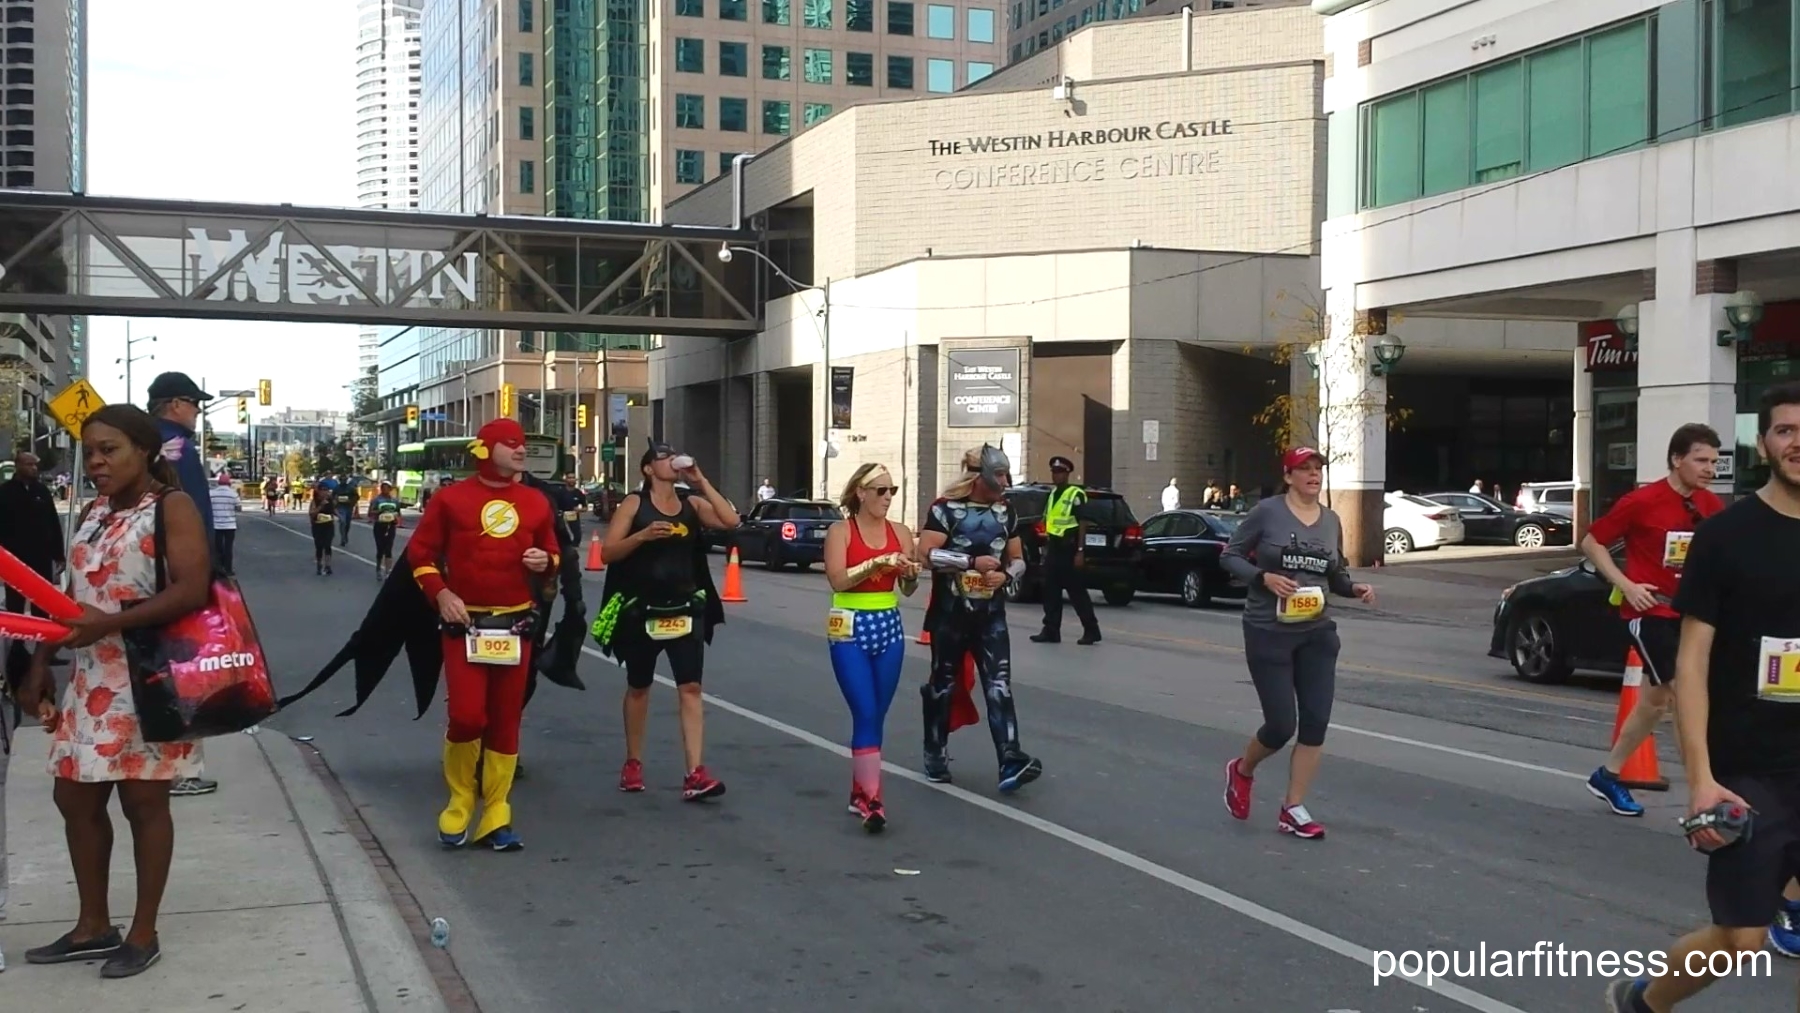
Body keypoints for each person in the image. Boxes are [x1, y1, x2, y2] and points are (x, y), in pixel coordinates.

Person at [1604, 383, 1800, 1012]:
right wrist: (1701, 777)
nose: (1798, 442)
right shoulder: (1728, 534)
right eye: (1785, 430)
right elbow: (1689, 663)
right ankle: (1648, 1000)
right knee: (1742, 934)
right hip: (1749, 765)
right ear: (1764, 443)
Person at [17, 404, 213, 978]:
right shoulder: (95, 512)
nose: (97, 461)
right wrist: (40, 664)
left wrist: (109, 623)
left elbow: (192, 589)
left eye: (110, 449)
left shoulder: (170, 508)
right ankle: (93, 926)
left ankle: (143, 932)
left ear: (145, 450)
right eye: (91, 451)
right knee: (73, 798)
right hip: (90, 678)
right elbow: (68, 595)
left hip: (148, 679)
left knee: (143, 804)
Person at [407, 418, 559, 852]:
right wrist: (440, 593)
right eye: (510, 443)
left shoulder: (536, 502)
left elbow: (553, 554)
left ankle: (497, 812)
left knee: (507, 718)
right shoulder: (450, 500)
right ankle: (460, 798)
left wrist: (544, 562)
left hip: (516, 625)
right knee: (468, 716)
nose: (520, 449)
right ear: (485, 449)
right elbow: (420, 552)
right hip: (465, 624)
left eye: (522, 442)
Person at [1218, 447, 1375, 840]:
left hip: (1316, 632)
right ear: (1288, 476)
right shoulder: (1267, 513)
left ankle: (1293, 807)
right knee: (1281, 724)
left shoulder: (1332, 520)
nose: (1313, 475)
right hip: (1268, 630)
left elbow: (1335, 574)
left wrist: (1354, 588)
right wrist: (1263, 578)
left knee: (1315, 722)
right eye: (1304, 469)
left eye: (1317, 469)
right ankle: (1242, 770)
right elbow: (1230, 557)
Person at [1579, 423, 1725, 818]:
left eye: (1714, 460)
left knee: (1655, 701)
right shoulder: (1642, 501)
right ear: (1677, 460)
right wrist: (1626, 584)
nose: (1710, 468)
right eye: (1701, 460)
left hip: (1692, 614)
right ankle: (1702, 790)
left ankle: (1607, 774)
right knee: (1683, 695)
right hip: (1651, 612)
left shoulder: (1711, 506)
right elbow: (1592, 541)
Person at [593, 444, 738, 800]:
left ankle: (695, 772)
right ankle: (633, 761)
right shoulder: (634, 504)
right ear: (647, 469)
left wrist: (701, 480)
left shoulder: (691, 504)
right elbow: (608, 552)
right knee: (639, 686)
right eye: (662, 457)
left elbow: (731, 521)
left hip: (685, 607)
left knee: (690, 687)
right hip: (642, 609)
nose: (671, 461)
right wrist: (643, 535)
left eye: (673, 456)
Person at [917, 444, 1043, 793]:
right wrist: (970, 563)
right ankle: (935, 752)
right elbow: (925, 554)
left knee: (999, 685)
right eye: (999, 474)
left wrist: (1007, 574)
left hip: (991, 614)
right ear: (980, 476)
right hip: (950, 613)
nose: (1005, 480)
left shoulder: (1006, 511)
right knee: (943, 683)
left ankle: (1010, 758)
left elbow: (1018, 558)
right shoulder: (945, 510)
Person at [822, 462, 921, 831]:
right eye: (880, 491)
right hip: (849, 627)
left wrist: (910, 575)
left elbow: (907, 589)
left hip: (888, 627)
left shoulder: (901, 532)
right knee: (864, 710)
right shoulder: (840, 531)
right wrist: (877, 562)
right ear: (860, 493)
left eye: (892, 491)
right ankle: (871, 799)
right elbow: (838, 580)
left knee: (876, 714)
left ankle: (859, 790)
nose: (887, 498)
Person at [144, 373, 217, 800]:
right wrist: (209, 570)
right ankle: (180, 770)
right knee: (185, 674)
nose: (197, 412)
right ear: (174, 404)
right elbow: (196, 513)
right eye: (194, 403)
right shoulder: (179, 448)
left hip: (140, 570)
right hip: (178, 576)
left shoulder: (133, 443)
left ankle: (147, 763)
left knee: (147, 670)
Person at [0, 451, 65, 701]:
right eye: (29, 464)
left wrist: (58, 553)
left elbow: (51, 522)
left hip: (40, 557)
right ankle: (17, 650)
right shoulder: (6, 493)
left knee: (43, 607)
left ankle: (45, 651)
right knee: (16, 605)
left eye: (35, 465)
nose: (34, 468)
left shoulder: (41, 491)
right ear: (17, 465)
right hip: (15, 561)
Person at [1031, 455, 1101, 646]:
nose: (1056, 476)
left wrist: (1080, 550)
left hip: (1069, 548)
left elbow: (1082, 523)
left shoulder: (1075, 494)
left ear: (1068, 474)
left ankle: (1091, 629)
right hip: (1054, 547)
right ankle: (1051, 630)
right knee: (1050, 591)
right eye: (1054, 472)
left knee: (1076, 592)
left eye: (1060, 472)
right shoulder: (1053, 494)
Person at [367, 480, 403, 581]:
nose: (385, 489)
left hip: (390, 526)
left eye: (387, 487)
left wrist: (396, 518)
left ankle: (388, 571)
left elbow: (398, 513)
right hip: (379, 526)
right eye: (383, 487)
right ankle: (378, 569)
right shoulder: (376, 500)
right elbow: (370, 513)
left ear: (390, 489)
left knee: (388, 549)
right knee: (380, 549)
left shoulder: (395, 501)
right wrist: (379, 511)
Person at [207, 473, 241, 577]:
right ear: (229, 483)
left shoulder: (211, 493)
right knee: (228, 547)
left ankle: (218, 568)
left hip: (216, 525)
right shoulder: (233, 494)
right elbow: (238, 508)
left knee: (217, 548)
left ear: (218, 482)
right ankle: (228, 569)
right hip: (229, 525)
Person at [307, 485, 336, 576]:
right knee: (319, 546)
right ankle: (319, 564)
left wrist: (340, 516)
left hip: (328, 525)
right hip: (318, 526)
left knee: (328, 545)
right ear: (319, 491)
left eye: (326, 490)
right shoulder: (315, 501)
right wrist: (321, 506)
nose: (325, 492)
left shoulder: (330, 501)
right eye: (322, 490)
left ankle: (328, 565)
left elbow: (333, 510)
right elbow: (311, 513)